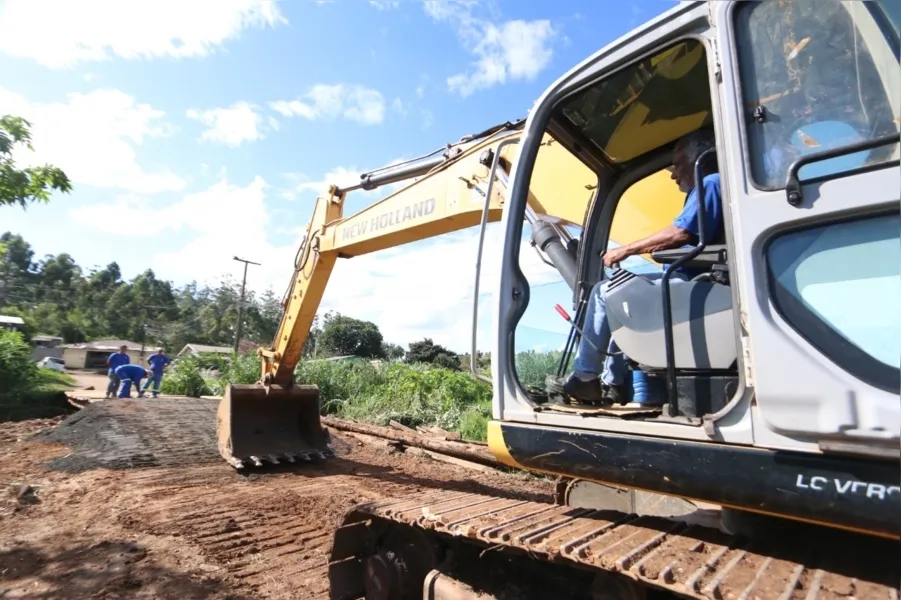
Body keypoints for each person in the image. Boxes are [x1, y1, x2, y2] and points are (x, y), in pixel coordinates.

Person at [562, 130, 724, 405]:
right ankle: (613, 383)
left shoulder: (709, 183)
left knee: (604, 292)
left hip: (698, 284)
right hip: (699, 280)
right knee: (621, 300)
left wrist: (625, 250)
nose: (673, 174)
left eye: (678, 164)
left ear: (701, 159)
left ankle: (586, 378)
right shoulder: (713, 186)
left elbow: (680, 233)